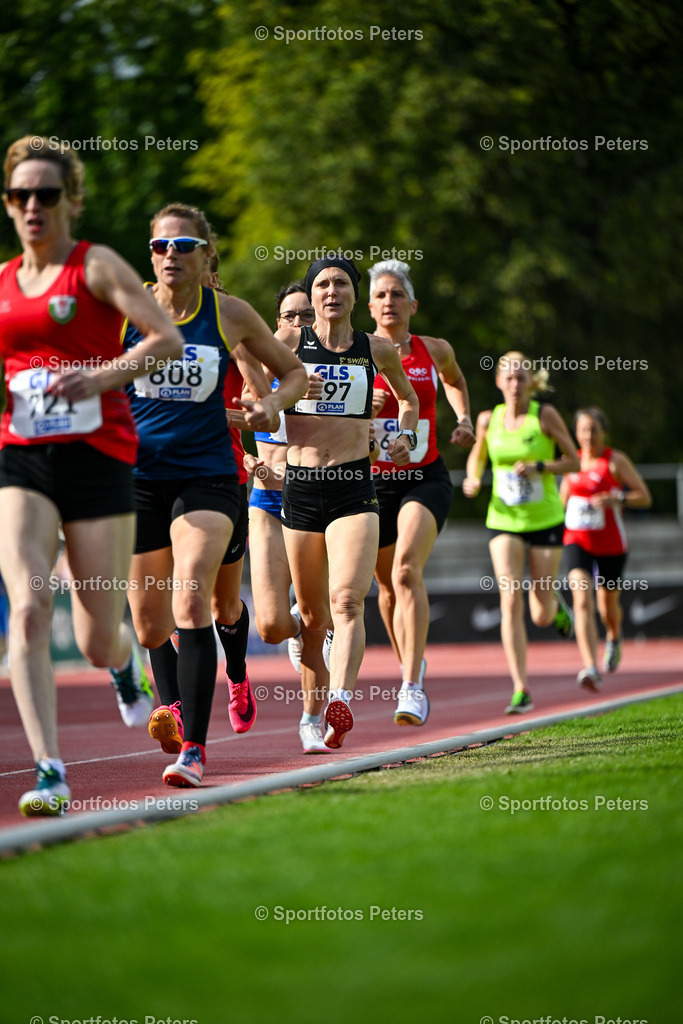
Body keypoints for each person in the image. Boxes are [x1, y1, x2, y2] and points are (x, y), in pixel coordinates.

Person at [0, 136, 184, 815]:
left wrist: (100, 378)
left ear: (71, 201)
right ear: (9, 206)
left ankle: (120, 665)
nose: (33, 207)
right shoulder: (1, 282)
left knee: (97, 634)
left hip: (100, 455)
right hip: (21, 456)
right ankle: (50, 769)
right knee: (25, 606)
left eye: (46, 194)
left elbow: (163, 339)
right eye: (20, 196)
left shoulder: (95, 265)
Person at [122, 202, 306, 787]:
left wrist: (270, 406)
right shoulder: (124, 311)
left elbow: (294, 375)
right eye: (160, 246)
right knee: (150, 626)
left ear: (206, 254)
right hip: (140, 478)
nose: (171, 255)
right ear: (149, 253)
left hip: (209, 476)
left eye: (184, 245)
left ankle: (193, 749)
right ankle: (168, 696)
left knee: (190, 598)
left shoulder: (229, 314)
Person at [278, 255, 418, 749]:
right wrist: (287, 386)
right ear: (312, 296)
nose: (331, 291)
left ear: (355, 295)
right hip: (300, 484)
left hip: (354, 484)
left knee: (347, 601)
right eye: (322, 284)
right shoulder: (291, 343)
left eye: (341, 283)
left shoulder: (376, 348)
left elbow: (409, 401)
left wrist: (402, 436)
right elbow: (251, 380)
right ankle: (309, 718)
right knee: (313, 618)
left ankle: (341, 699)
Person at [367, 259, 476, 726]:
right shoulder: (355, 354)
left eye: (397, 295)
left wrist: (465, 418)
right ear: (368, 305)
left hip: (424, 477)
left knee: (408, 570)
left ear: (413, 304)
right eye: (381, 295)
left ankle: (411, 686)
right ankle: (409, 664)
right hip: (371, 482)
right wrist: (360, 409)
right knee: (387, 587)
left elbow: (454, 380)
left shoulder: (435, 349)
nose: (389, 302)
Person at [463, 352, 580, 713]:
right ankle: (520, 687)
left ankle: (555, 608)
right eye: (508, 379)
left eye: (521, 378)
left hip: (544, 519)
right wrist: (472, 477)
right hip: (503, 520)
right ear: (498, 382)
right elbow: (477, 457)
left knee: (540, 614)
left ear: (531, 381)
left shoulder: (543, 415)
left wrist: (540, 465)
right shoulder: (488, 419)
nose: (515, 385)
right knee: (510, 597)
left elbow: (574, 460)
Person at [247, 282, 331, 753]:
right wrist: (247, 462)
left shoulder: (327, 368)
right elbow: (233, 424)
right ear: (276, 323)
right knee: (274, 627)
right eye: (290, 316)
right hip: (266, 503)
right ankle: (304, 622)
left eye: (306, 314)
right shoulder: (258, 367)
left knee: (321, 617)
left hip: (314, 498)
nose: (298, 323)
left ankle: (310, 721)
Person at [560, 407, 652, 689]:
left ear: (603, 432)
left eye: (594, 430)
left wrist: (617, 497)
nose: (588, 436)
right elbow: (562, 502)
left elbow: (644, 497)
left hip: (611, 544)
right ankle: (590, 666)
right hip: (577, 540)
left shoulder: (615, 461)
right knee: (581, 601)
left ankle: (614, 636)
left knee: (606, 607)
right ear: (576, 434)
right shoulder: (570, 462)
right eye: (583, 430)